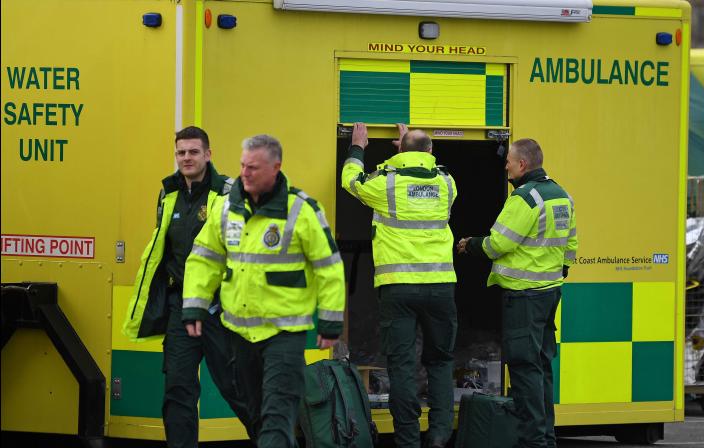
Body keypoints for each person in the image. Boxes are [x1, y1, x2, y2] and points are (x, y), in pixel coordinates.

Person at [182, 134, 345, 448]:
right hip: (239, 334)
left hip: (284, 333)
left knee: (276, 414)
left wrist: (330, 321)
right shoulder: (227, 209)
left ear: (276, 168)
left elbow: (329, 268)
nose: (245, 173)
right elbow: (204, 258)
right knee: (257, 416)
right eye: (243, 165)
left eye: (253, 167)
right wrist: (195, 305)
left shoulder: (302, 211)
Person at [122, 126, 256, 447]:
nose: (186, 158)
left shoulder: (228, 191)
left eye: (193, 152)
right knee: (178, 389)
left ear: (208, 155)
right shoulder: (168, 193)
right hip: (181, 306)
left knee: (237, 388)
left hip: (219, 308)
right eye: (181, 152)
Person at [341, 123, 458, 448]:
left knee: (402, 364)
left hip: (398, 287)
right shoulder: (448, 182)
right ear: (430, 152)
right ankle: (438, 435)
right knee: (440, 360)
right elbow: (423, 176)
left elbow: (350, 180)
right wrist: (406, 154)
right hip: (441, 286)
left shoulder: (385, 183)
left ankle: (407, 440)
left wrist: (358, 147)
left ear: (401, 150)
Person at [457, 138, 577, 448]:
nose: (506, 165)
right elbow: (571, 245)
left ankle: (533, 441)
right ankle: (546, 437)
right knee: (541, 366)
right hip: (550, 293)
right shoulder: (562, 195)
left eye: (509, 160)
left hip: (524, 296)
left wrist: (470, 245)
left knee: (524, 370)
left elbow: (499, 244)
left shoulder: (524, 199)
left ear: (522, 164)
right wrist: (559, 270)